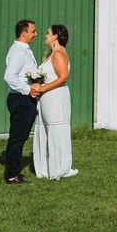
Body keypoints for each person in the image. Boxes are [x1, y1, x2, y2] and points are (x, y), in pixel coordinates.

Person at [31, 24, 78, 179]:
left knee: (55, 129)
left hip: (55, 97)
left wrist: (43, 88)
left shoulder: (58, 54)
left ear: (55, 36)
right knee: (45, 129)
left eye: (47, 33)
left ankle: (58, 167)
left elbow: (63, 77)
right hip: (47, 97)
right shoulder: (52, 54)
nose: (45, 35)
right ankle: (47, 167)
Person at [2, 19, 39, 184]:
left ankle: (14, 171)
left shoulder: (24, 50)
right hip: (20, 99)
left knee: (20, 137)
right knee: (17, 137)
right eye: (33, 31)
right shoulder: (19, 52)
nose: (35, 34)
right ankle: (11, 174)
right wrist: (27, 90)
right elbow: (9, 76)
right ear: (24, 33)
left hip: (23, 99)